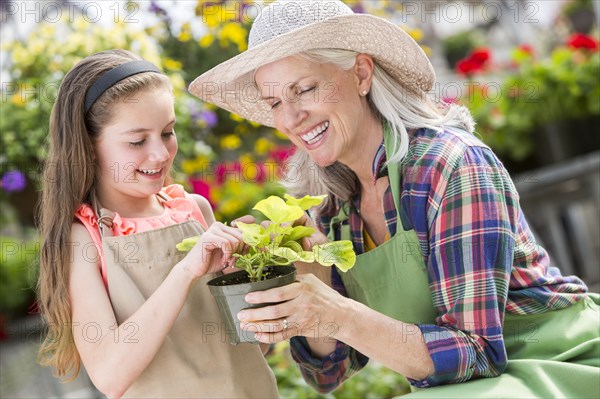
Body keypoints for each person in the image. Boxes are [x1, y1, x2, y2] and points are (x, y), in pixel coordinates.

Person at [188, 0, 600, 397]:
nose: (290, 118)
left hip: (561, 364)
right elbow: (330, 372)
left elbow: (477, 352)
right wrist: (308, 274)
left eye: (305, 89)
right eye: (275, 102)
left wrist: (338, 313)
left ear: (362, 73)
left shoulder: (450, 166)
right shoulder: (333, 205)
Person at [36, 49, 278, 398]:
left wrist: (253, 277)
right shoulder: (83, 239)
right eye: (137, 141)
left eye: (167, 132)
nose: (161, 154)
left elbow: (251, 350)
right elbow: (110, 375)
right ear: (89, 146)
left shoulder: (195, 211)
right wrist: (184, 272)